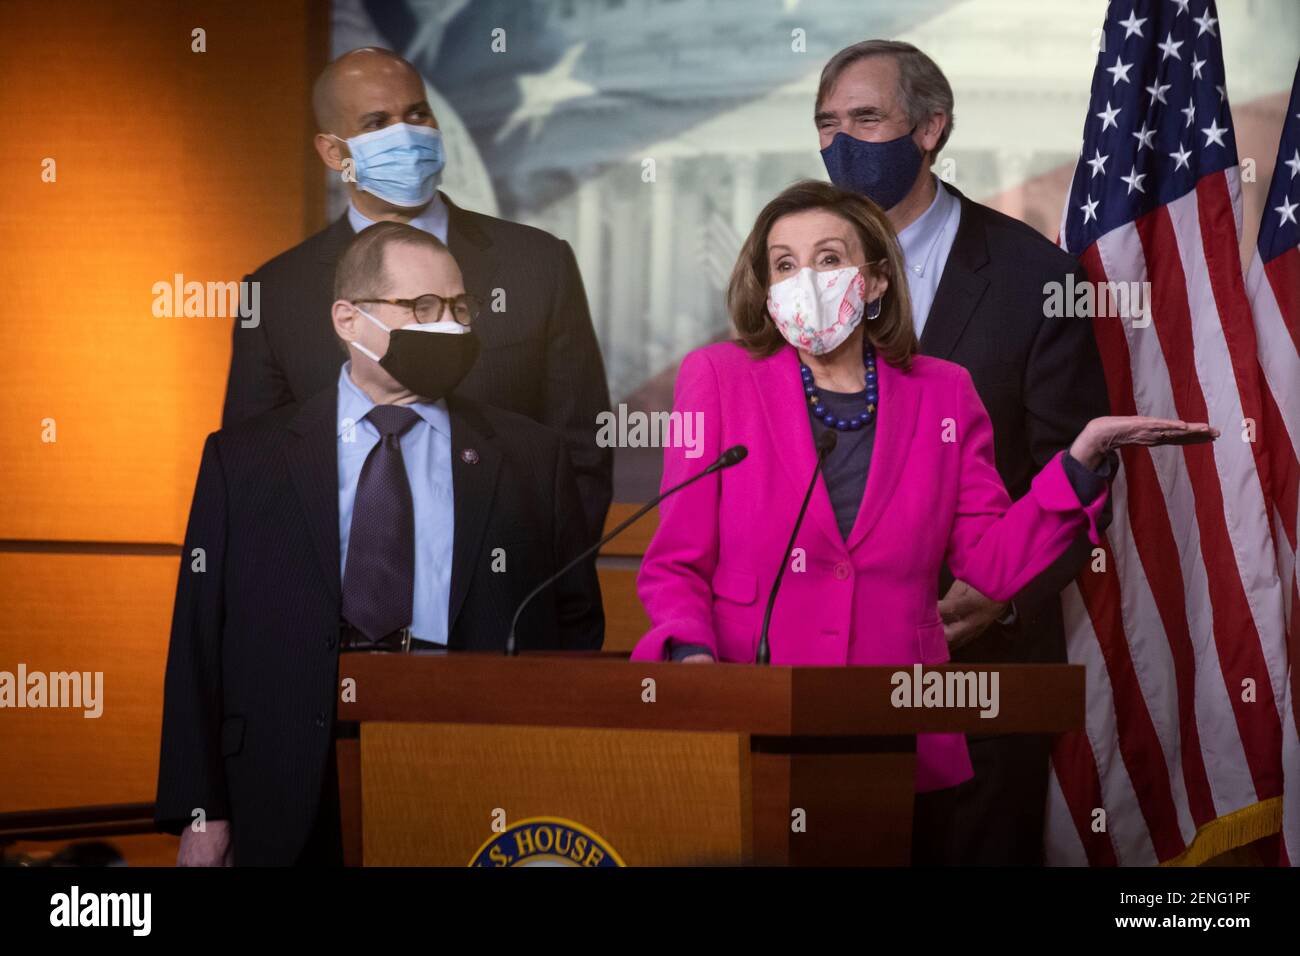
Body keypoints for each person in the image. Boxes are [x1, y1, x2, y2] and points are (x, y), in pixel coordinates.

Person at [630, 181, 1213, 817]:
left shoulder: (944, 393)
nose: (808, 280)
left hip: (898, 725)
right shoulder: (718, 380)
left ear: (876, 280)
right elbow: (676, 562)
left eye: (829, 259)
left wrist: (1081, 460)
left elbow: (989, 563)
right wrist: (690, 657)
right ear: (767, 290)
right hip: (748, 719)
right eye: (786, 265)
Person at [156, 222, 604, 866]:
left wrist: (558, 778)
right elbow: (199, 640)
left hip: (476, 777)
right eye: (422, 308)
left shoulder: (532, 457)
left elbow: (573, 627)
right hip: (283, 783)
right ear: (348, 319)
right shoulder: (244, 460)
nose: (449, 327)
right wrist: (201, 811)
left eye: (459, 308)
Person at [813, 39, 1112, 864]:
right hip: (824, 669)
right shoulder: (795, 269)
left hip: (981, 663)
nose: (844, 143)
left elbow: (1078, 467)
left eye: (867, 119)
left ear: (932, 127)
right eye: (827, 124)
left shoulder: (1032, 275)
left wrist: (1001, 592)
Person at [222, 47, 613, 545]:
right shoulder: (276, 292)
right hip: (335, 604)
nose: (405, 135)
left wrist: (543, 594)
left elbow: (583, 449)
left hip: (502, 593)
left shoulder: (538, 264)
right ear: (333, 153)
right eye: (376, 123)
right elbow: (251, 469)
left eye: (417, 114)